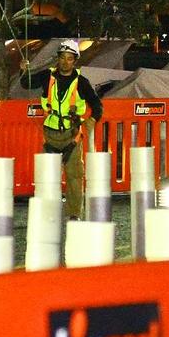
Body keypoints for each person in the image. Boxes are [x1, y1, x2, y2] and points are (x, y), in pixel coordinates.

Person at [19, 38, 103, 221]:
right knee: (47, 175)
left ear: (75, 60)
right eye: (62, 57)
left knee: (74, 177)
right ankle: (48, 212)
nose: (65, 62)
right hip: (50, 135)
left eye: (69, 58)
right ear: (58, 58)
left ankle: (74, 214)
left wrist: (93, 119)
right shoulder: (47, 76)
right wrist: (23, 70)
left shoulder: (81, 82)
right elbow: (25, 83)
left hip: (71, 136)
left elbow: (97, 105)